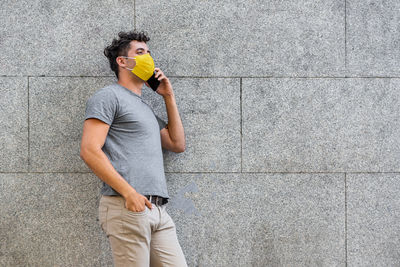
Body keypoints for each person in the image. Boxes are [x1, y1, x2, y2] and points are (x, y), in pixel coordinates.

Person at [80, 30, 188, 267]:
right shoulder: (109, 97)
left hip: (158, 211)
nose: (148, 58)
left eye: (149, 53)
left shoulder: (145, 108)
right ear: (122, 61)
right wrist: (129, 194)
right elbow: (89, 150)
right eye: (140, 52)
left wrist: (168, 96)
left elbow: (177, 143)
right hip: (127, 206)